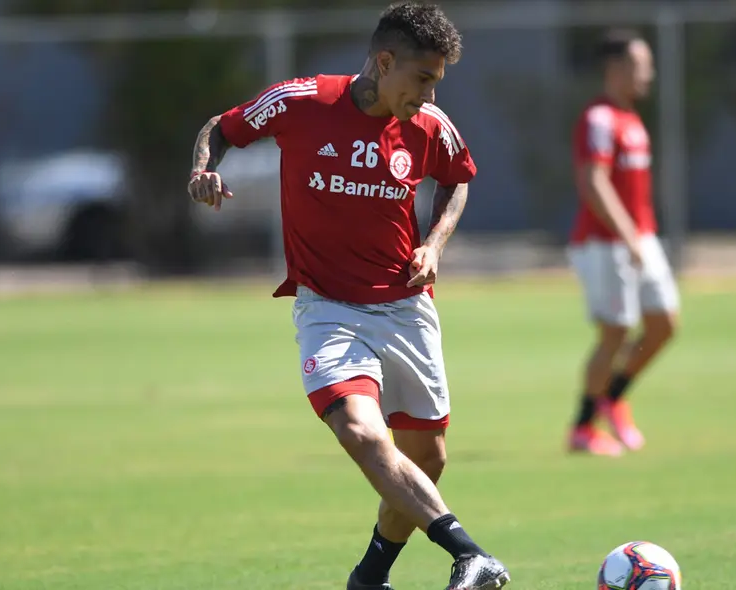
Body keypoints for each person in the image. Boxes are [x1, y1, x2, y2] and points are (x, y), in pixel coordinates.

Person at [186, 2, 511, 588]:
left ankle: (369, 578)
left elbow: (457, 178)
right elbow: (221, 127)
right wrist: (203, 168)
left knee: (427, 461)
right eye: (423, 80)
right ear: (384, 62)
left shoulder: (430, 127)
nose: (431, 96)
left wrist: (434, 243)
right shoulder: (302, 101)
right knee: (361, 432)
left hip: (407, 308)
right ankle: (469, 552)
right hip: (329, 309)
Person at [565, 29, 680, 457]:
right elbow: (593, 183)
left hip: (639, 238)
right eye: (641, 64)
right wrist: (628, 235)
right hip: (605, 243)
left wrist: (639, 236)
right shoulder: (598, 119)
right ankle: (582, 429)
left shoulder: (631, 119)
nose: (648, 73)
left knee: (664, 324)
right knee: (614, 334)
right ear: (616, 69)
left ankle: (612, 395)